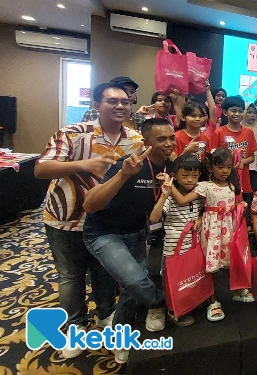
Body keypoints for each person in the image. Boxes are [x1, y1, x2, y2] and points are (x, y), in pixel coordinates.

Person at [35, 82, 143, 359]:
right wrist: (83, 164)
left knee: (104, 273)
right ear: (96, 105)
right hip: (67, 219)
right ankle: (76, 327)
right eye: (111, 101)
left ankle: (105, 316)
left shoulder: (135, 139)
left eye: (125, 102)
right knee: (71, 276)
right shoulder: (72, 133)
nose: (120, 106)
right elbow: (41, 168)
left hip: (106, 222)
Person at [82, 118, 176, 364]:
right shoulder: (130, 164)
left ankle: (120, 334)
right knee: (135, 280)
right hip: (103, 233)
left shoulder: (170, 167)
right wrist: (123, 175)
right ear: (145, 142)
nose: (168, 144)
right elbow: (89, 205)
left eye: (171, 138)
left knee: (130, 289)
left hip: (137, 232)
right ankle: (161, 302)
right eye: (161, 139)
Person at [170, 148, 254, 321]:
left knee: (234, 260)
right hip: (213, 231)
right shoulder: (204, 186)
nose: (225, 171)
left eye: (228, 167)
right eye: (220, 166)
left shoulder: (232, 184)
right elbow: (183, 200)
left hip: (231, 229)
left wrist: (240, 207)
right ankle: (212, 300)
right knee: (210, 265)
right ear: (210, 167)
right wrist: (169, 184)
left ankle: (238, 290)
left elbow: (237, 202)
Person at [148, 154, 202, 327]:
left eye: (194, 175)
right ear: (175, 176)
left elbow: (202, 211)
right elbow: (154, 218)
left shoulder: (198, 194)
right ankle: (174, 310)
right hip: (173, 249)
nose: (190, 180)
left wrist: (199, 219)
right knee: (173, 281)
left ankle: (187, 303)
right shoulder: (170, 198)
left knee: (190, 277)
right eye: (185, 175)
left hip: (193, 246)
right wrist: (164, 195)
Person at [209, 95, 257, 195]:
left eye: (240, 111)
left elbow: (252, 157)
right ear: (225, 112)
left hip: (242, 179)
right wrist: (230, 156)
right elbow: (211, 156)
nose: (237, 114)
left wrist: (242, 161)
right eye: (233, 111)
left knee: (241, 207)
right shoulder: (219, 132)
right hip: (222, 179)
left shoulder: (249, 132)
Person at [81, 76, 146, 130]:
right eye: (124, 91)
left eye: (132, 92)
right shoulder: (92, 114)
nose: (129, 95)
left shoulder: (139, 119)